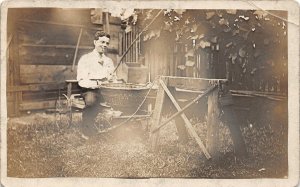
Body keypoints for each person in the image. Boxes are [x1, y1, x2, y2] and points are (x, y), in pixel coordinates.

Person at [77, 30, 116, 137]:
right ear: (95, 42)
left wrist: (112, 79)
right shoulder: (86, 59)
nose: (104, 45)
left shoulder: (109, 61)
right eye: (102, 42)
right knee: (91, 102)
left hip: (107, 90)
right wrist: (97, 83)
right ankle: (86, 133)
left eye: (107, 43)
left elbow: (113, 77)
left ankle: (118, 130)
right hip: (90, 89)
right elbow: (82, 81)